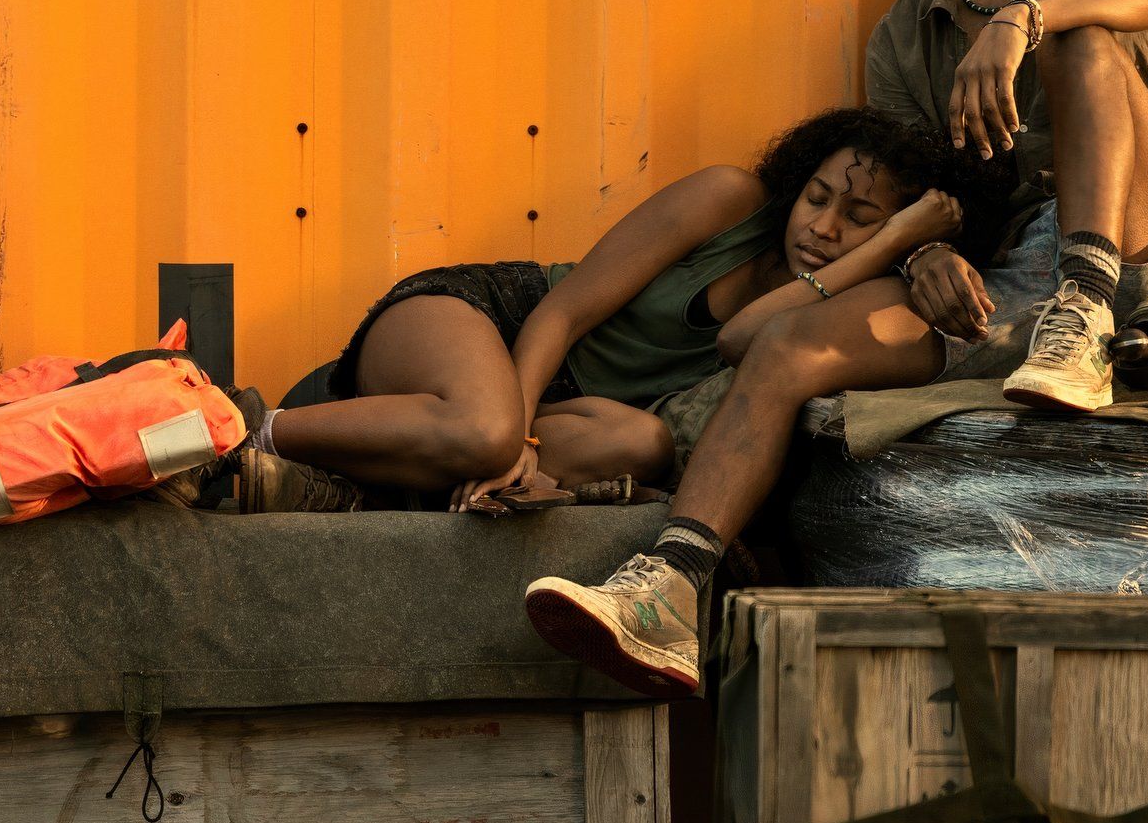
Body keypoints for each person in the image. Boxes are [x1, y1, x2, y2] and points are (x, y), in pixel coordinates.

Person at [526, 0, 1148, 693]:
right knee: (789, 347)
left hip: (1142, 256)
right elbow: (932, 190)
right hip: (998, 280)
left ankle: (1087, 307)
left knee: (1085, 41)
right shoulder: (910, 31)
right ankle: (672, 588)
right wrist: (923, 257)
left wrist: (1026, 18)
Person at [263, 109, 991, 518]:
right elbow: (561, 313)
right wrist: (512, 435)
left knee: (646, 445)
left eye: (860, 217)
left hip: (564, 410)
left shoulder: (831, 305)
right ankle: (241, 431)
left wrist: (896, 248)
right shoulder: (728, 201)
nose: (823, 227)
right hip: (491, 318)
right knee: (486, 436)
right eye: (818, 196)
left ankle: (360, 479)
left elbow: (746, 336)